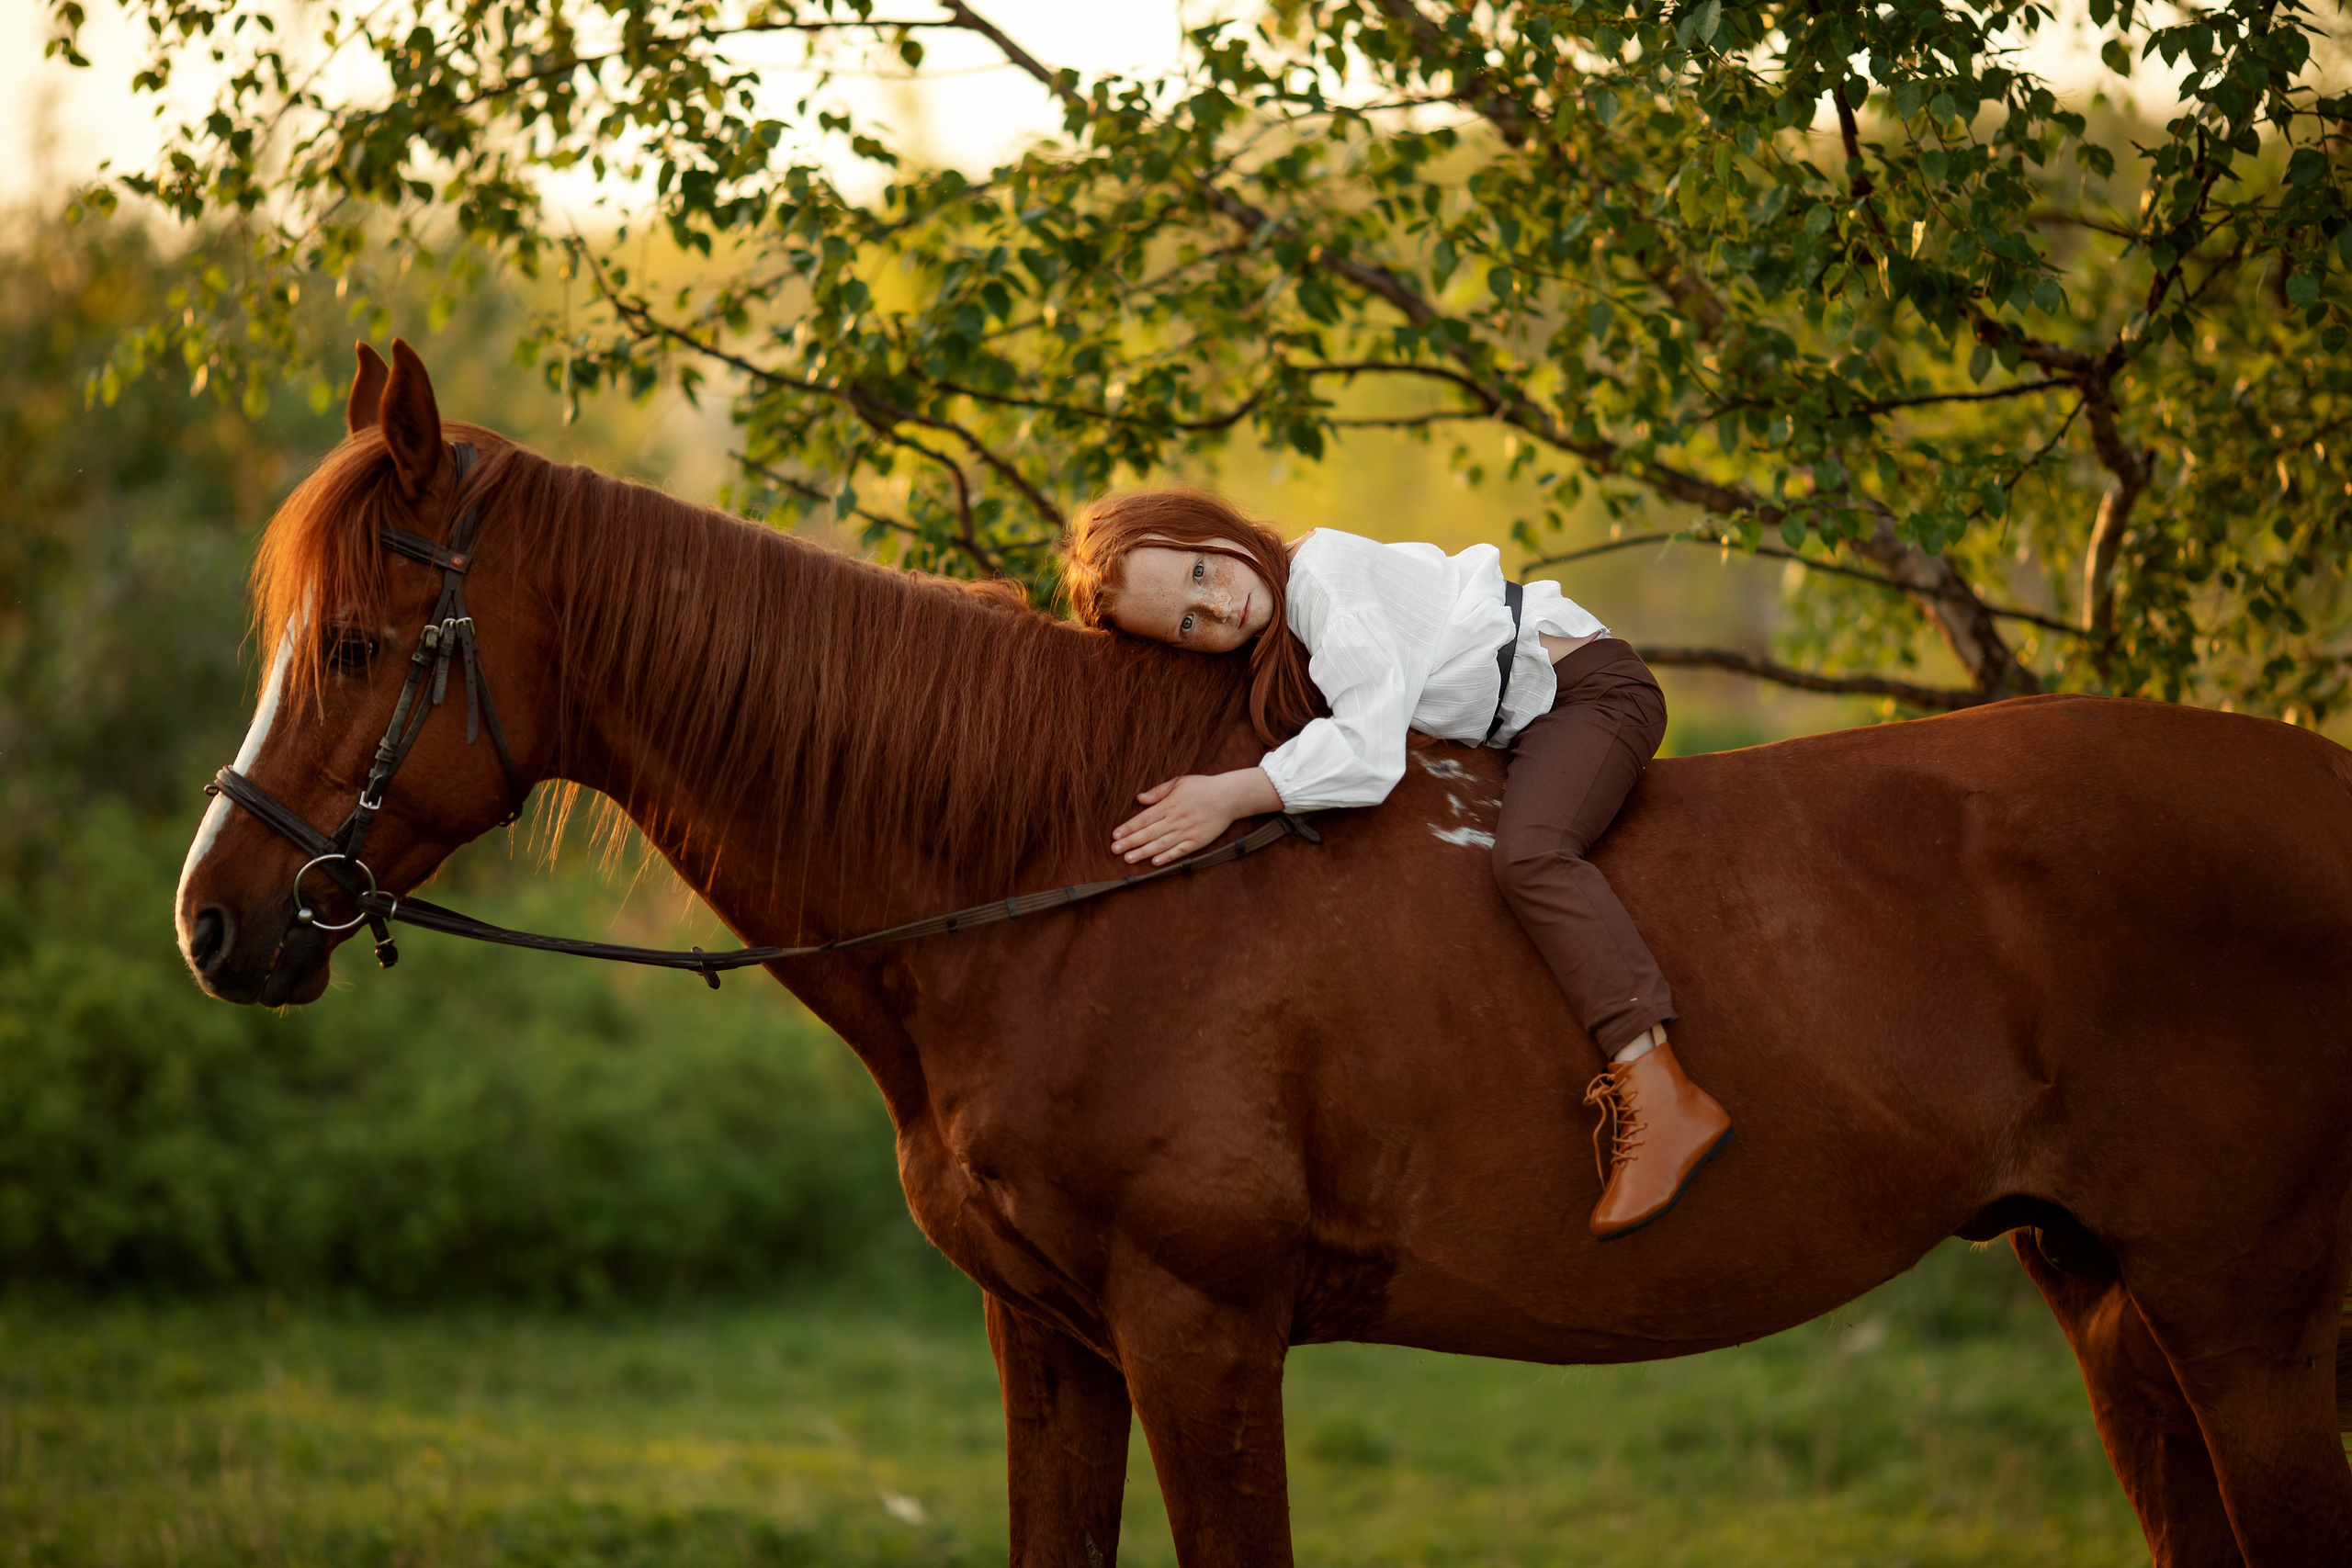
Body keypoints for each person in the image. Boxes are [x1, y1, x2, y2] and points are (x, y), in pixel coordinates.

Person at [1061, 488, 1732, 1239]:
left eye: (1198, 574)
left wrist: (1232, 794)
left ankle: (1658, 1084)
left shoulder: (1322, 577)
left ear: (1212, 532)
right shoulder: (1281, 625)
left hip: (1586, 696)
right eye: (1187, 624)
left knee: (1531, 856)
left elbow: (1370, 748)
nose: (1217, 609)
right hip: (1518, 725)